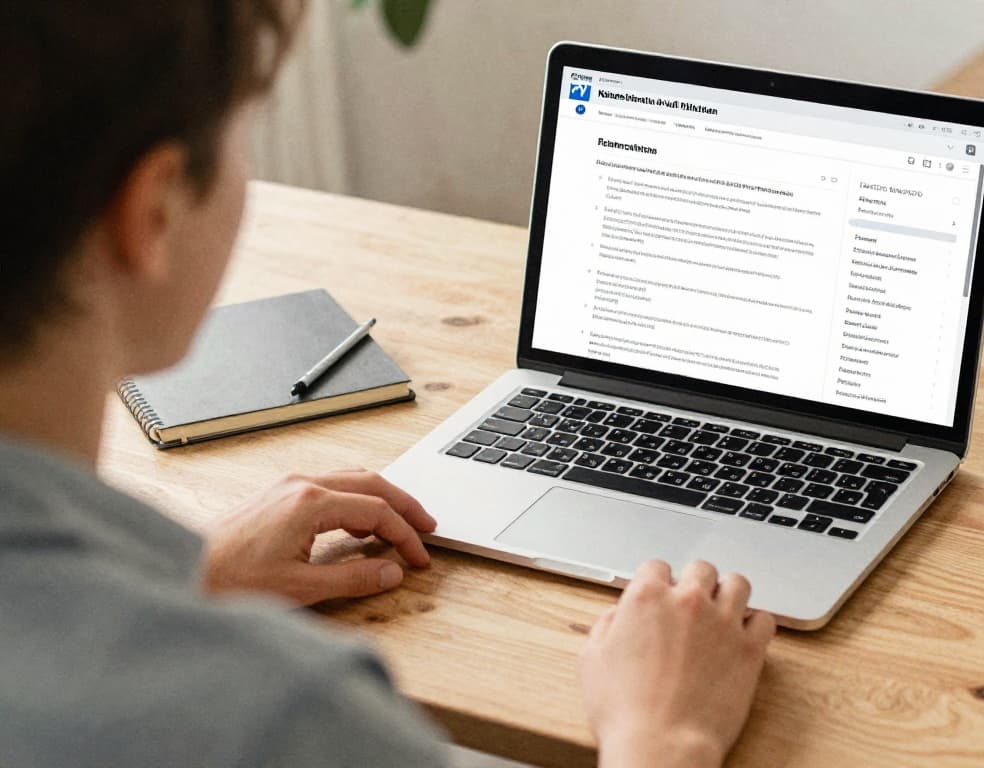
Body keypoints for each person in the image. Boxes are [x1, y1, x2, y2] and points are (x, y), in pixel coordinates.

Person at [0, 3, 775, 766]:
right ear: (154, 209)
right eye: (242, 133)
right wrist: (663, 737)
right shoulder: (281, 717)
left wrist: (191, 577)